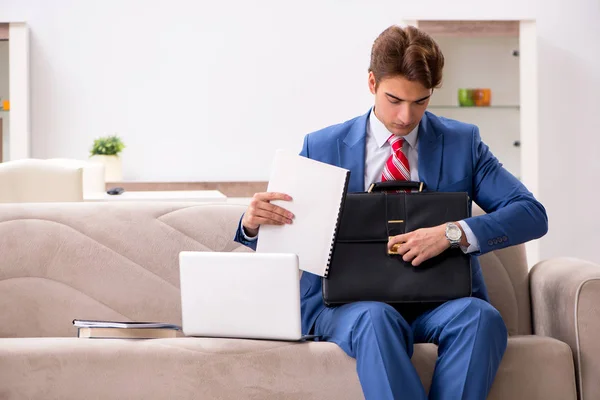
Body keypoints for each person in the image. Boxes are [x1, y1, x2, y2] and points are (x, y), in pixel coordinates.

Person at [234, 25, 548, 400]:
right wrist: (254, 225)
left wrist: (452, 232)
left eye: (420, 102)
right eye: (394, 99)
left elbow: (531, 213)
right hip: (352, 306)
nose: (405, 116)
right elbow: (290, 239)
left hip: (439, 302)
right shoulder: (322, 146)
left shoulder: (464, 143)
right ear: (371, 82)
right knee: (376, 319)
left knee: (481, 319)